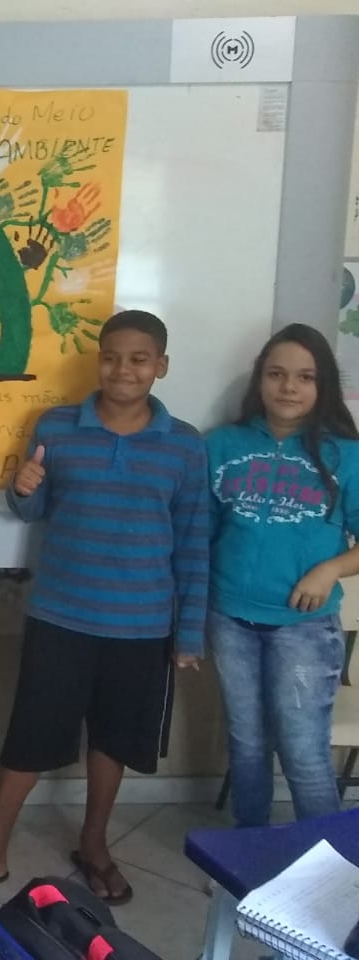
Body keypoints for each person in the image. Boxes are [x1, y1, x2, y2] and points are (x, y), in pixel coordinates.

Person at [0, 309, 208, 907]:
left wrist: (189, 633)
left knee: (113, 742)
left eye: (139, 359)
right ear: (98, 361)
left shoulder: (184, 445)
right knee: (30, 735)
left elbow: (194, 541)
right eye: (111, 357)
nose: (123, 369)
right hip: (61, 616)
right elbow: (31, 510)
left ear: (162, 366)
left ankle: (94, 846)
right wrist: (22, 489)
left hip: (142, 626)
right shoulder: (58, 427)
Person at [207, 323, 359, 827]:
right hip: (230, 619)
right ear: (260, 380)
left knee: (304, 754)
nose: (289, 387)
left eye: (305, 377)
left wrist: (330, 569)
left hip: (304, 628)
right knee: (247, 746)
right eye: (276, 374)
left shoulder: (347, 455)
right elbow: (200, 531)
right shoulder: (222, 445)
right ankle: (251, 854)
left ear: (322, 385)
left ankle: (326, 867)